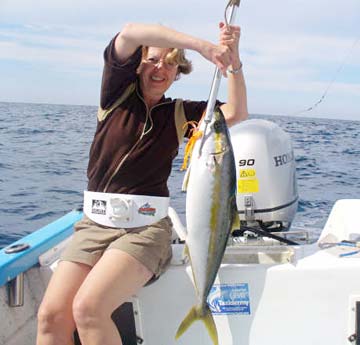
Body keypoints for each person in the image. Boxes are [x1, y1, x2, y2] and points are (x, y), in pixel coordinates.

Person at [36, 21, 248, 345]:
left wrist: (233, 61)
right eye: (152, 59)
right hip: (94, 224)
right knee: (51, 316)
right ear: (138, 64)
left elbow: (236, 112)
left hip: (145, 230)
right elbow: (131, 32)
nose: (160, 68)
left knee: (89, 309)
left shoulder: (180, 113)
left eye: (170, 62)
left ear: (178, 72)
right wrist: (203, 46)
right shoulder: (116, 94)